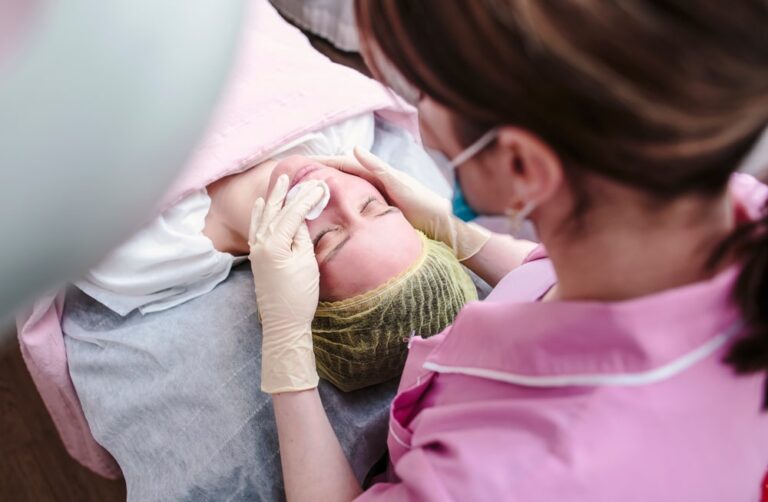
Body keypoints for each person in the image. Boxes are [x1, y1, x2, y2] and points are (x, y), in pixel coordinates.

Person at [248, 1, 768, 500]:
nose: (419, 122)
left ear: (522, 168)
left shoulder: (511, 477)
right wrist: (467, 238)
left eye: (423, 93)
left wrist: (287, 349)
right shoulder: (729, 213)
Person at [75, 146, 478, 392]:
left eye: (326, 239)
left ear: (290, 285)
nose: (334, 189)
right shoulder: (342, 127)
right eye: (374, 206)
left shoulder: (134, 255)